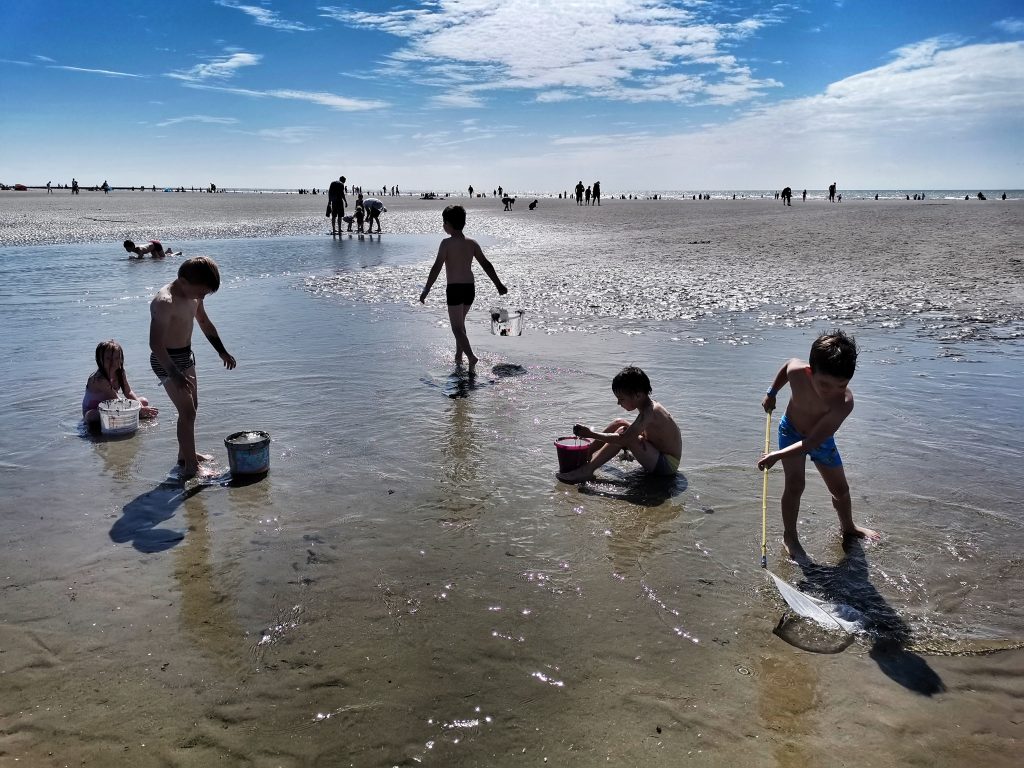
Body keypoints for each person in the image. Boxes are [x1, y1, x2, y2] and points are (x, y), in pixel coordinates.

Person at [757, 329, 879, 561]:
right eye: (824, 385)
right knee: (795, 485)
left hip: (820, 440)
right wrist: (771, 393)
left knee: (840, 490)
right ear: (810, 372)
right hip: (791, 431)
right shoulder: (798, 372)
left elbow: (813, 441)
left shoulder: (844, 403)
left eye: (841, 385)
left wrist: (777, 455)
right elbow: (787, 366)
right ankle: (790, 536)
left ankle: (849, 526)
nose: (832, 392)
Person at [149, 257, 236, 479]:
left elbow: (204, 323)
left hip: (186, 356)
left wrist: (221, 350)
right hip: (165, 360)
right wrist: (174, 373)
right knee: (186, 412)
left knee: (192, 408)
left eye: (206, 294)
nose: (202, 297)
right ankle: (191, 468)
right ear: (182, 281)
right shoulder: (164, 302)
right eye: (201, 292)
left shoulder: (194, 295)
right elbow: (155, 344)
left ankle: (184, 454)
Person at [419, 205, 507, 372]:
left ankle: (471, 357)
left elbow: (436, 267)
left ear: (448, 224)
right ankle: (458, 356)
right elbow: (486, 265)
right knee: (460, 324)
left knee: (456, 328)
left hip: (454, 289)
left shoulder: (446, 244)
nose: (443, 226)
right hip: (469, 289)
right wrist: (498, 285)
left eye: (444, 223)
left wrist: (426, 289)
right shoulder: (472, 243)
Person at [556, 366, 681, 484]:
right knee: (619, 422)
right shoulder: (648, 406)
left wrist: (590, 434)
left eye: (621, 399)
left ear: (638, 394)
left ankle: (587, 471)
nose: (618, 403)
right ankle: (587, 454)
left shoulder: (650, 412)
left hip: (667, 466)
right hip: (657, 452)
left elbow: (625, 439)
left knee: (623, 434)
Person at [83, 340, 158, 427]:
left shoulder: (120, 373)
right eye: (108, 358)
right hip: (96, 410)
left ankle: (125, 418)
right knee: (91, 416)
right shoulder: (99, 379)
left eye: (116, 358)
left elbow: (128, 392)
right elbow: (116, 399)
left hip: (112, 407)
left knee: (144, 401)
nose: (113, 362)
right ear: (100, 359)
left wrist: (141, 407)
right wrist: (139, 409)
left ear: (121, 359)